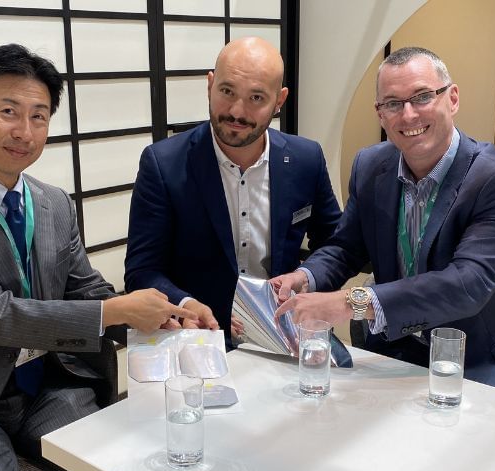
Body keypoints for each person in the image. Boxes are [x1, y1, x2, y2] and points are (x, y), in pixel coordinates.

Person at [0, 44, 200, 471]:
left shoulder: (53, 203)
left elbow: (86, 290)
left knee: (132, 465)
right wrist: (116, 310)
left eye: (38, 116)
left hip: (51, 387)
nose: (24, 131)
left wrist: (165, 319)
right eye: (8, 111)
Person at [274, 46, 495, 403]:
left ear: (452, 98)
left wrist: (351, 302)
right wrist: (305, 277)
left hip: (488, 358)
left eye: (422, 97)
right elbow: (346, 247)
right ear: (380, 114)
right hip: (399, 348)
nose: (408, 115)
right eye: (393, 103)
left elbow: (469, 282)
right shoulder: (370, 166)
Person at [125, 37, 342, 346]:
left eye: (256, 97)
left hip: (285, 330)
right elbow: (142, 271)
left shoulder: (306, 159)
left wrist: (306, 278)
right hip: (202, 336)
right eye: (227, 91)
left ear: (279, 100)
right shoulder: (163, 164)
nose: (237, 111)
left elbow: (334, 243)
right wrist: (186, 305)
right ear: (210, 85)